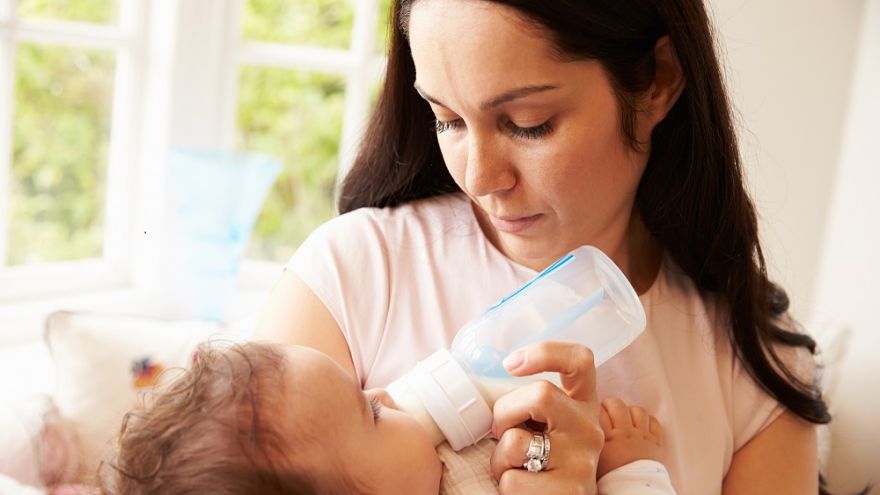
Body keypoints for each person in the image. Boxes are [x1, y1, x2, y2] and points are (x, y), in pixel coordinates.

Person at [255, 0, 829, 493]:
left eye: (528, 124)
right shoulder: (352, 272)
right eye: (447, 119)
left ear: (658, 80)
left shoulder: (755, 374)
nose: (479, 178)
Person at [99, 340, 677, 495]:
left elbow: (462, 382)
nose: (386, 393)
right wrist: (631, 471)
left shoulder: (414, 464)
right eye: (371, 411)